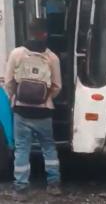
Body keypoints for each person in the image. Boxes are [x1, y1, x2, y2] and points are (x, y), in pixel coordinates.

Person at [4, 19, 62, 200]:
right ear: (45, 34)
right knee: (49, 148)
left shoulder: (16, 54)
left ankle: (21, 188)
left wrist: (17, 97)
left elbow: (8, 82)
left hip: (21, 111)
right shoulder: (52, 58)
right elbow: (57, 86)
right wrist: (45, 99)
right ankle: (53, 184)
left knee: (22, 149)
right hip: (44, 112)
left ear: (28, 32)